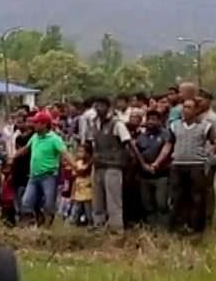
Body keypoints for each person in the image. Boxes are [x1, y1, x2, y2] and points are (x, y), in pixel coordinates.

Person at [168, 92, 216, 235]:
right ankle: (178, 225)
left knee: (197, 197)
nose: (185, 110)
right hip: (178, 164)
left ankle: (195, 227)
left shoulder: (206, 126)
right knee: (178, 196)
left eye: (189, 107)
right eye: (184, 107)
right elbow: (168, 144)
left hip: (197, 165)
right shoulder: (175, 125)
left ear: (196, 110)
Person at [15, 111, 69, 226]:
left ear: (44, 124)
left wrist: (74, 166)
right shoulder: (35, 137)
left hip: (48, 176)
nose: (34, 125)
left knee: (49, 204)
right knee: (26, 201)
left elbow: (65, 153)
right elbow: (25, 149)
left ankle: (47, 226)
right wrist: (12, 157)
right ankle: (34, 222)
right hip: (34, 176)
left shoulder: (55, 139)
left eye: (37, 123)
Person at [88, 97, 130, 233]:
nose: (98, 109)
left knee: (113, 199)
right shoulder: (94, 123)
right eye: (96, 106)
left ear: (108, 107)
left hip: (113, 164)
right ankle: (99, 225)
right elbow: (91, 143)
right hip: (98, 164)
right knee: (97, 198)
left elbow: (128, 143)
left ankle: (116, 227)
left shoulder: (117, 124)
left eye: (101, 106)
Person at [134, 108, 173, 228]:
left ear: (160, 121)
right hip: (144, 175)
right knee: (147, 204)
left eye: (154, 119)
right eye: (149, 119)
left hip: (161, 174)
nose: (151, 122)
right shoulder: (142, 136)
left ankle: (163, 228)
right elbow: (137, 152)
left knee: (161, 203)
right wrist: (143, 166)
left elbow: (166, 150)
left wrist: (156, 164)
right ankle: (151, 227)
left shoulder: (166, 134)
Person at [70, 140, 94, 226]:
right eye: (79, 151)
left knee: (89, 211)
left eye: (82, 151)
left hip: (88, 192)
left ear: (88, 153)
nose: (79, 153)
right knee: (76, 209)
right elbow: (75, 175)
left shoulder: (91, 165)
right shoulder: (78, 163)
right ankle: (73, 222)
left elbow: (81, 171)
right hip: (78, 191)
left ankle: (90, 223)